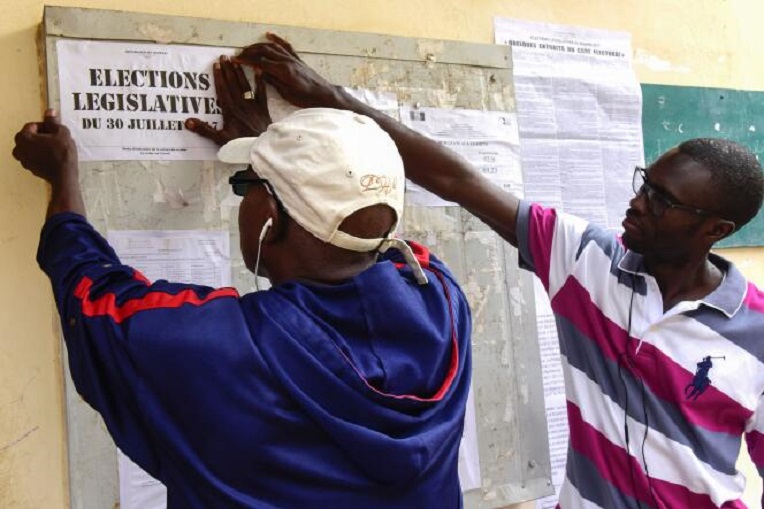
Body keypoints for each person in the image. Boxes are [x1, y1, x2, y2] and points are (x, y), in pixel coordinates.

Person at [232, 34, 764, 508]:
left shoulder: (757, 333)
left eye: (663, 200)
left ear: (715, 230)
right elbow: (455, 179)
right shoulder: (585, 261)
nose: (638, 203)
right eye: (645, 183)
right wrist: (321, 109)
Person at [13, 58, 472, 507]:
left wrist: (62, 176)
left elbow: (93, 296)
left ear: (269, 218)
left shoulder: (224, 348)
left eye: (245, 186)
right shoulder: (442, 300)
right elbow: (362, 218)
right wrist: (271, 155)